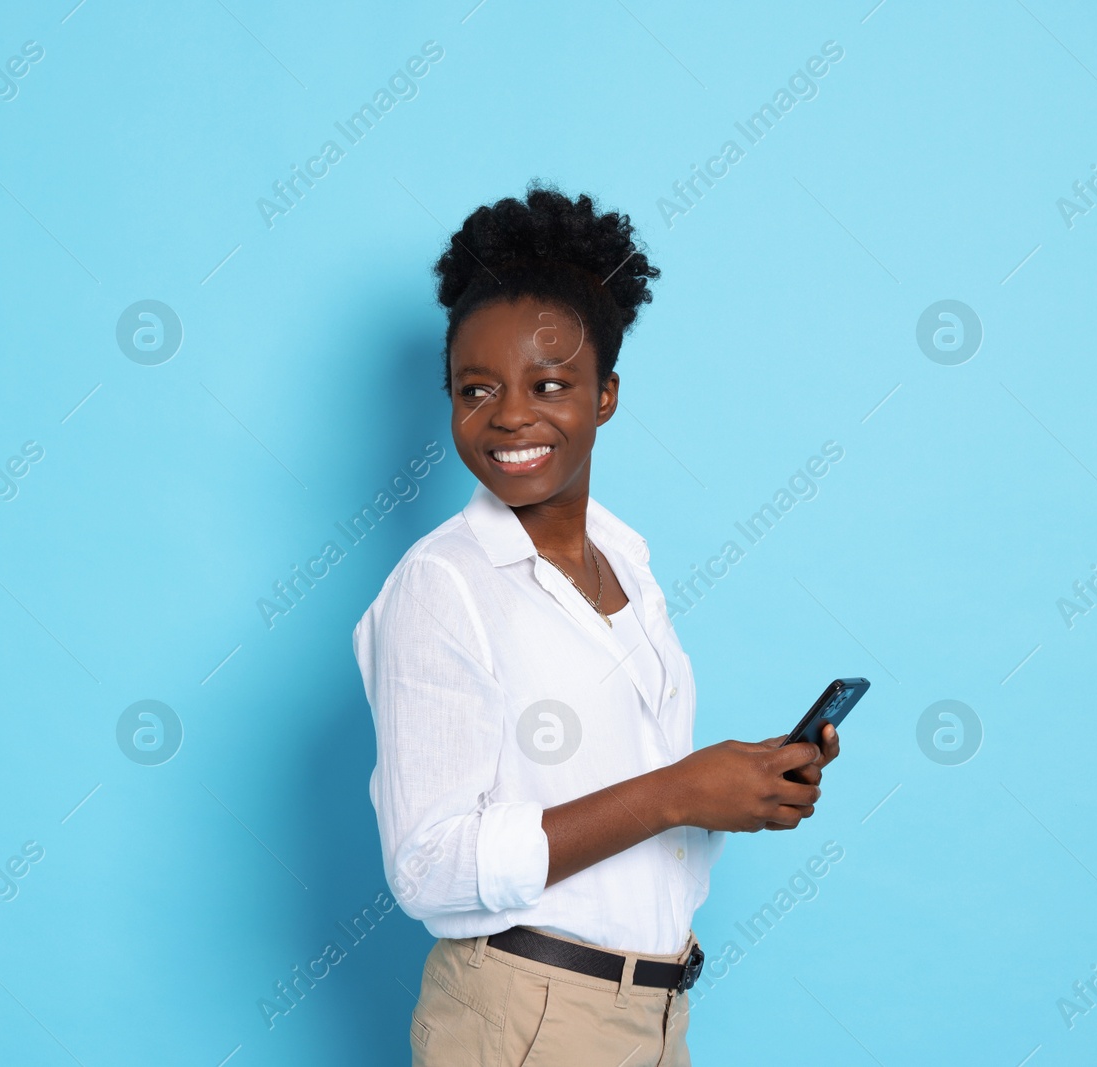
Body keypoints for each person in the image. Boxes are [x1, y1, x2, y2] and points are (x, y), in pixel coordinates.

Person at [352, 185, 840, 1065]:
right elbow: (428, 866)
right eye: (477, 387)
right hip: (525, 1019)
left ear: (606, 393)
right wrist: (678, 791)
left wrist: (743, 783)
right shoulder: (442, 585)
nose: (509, 414)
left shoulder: (628, 566)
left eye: (550, 383)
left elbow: (630, 800)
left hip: (652, 1014)